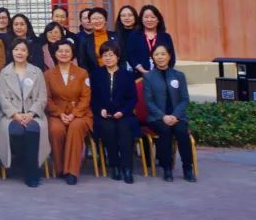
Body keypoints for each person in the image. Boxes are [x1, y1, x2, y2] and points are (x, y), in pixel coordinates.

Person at [0, 38, 50, 187]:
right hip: (11, 116)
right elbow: (1, 96)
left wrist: (31, 113)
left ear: (28, 53)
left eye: (23, 50)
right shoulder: (5, 72)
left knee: (32, 129)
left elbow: (42, 97)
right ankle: (21, 161)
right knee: (16, 130)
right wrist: (15, 115)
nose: (19, 53)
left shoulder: (37, 71)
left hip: (33, 115)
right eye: (16, 49)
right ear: (11, 52)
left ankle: (32, 173)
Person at [143, 44, 195, 182]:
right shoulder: (148, 77)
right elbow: (149, 101)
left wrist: (175, 115)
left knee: (181, 131)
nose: (160, 57)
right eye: (156, 54)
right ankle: (167, 168)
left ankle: (187, 168)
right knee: (165, 130)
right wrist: (163, 116)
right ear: (152, 58)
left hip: (177, 117)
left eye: (163, 54)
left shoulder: (179, 75)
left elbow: (184, 99)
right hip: (157, 118)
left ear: (169, 56)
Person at [44, 40, 93, 185]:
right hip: (57, 113)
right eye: (60, 51)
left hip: (79, 113)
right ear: (55, 54)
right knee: (55, 129)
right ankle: (60, 168)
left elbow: (86, 97)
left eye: (67, 51)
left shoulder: (82, 73)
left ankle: (72, 171)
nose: (64, 54)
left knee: (75, 127)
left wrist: (74, 114)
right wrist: (59, 113)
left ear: (72, 54)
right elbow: (46, 98)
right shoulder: (48, 74)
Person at [92, 41, 139, 184]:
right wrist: (100, 109)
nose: (108, 58)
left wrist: (122, 112)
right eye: (105, 55)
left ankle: (127, 168)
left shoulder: (127, 75)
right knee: (108, 129)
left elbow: (133, 98)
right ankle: (115, 166)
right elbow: (93, 98)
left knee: (125, 130)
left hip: (123, 114)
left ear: (117, 57)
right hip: (104, 115)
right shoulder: (96, 74)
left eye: (111, 55)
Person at [127, 4, 176, 76]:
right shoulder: (134, 36)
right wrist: (143, 71)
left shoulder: (166, 37)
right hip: (139, 75)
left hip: (162, 75)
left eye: (153, 17)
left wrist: (162, 72)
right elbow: (130, 56)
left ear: (158, 20)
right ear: (141, 19)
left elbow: (172, 57)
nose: (149, 20)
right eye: (146, 17)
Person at [76, 7, 110, 75]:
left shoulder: (116, 36)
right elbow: (83, 62)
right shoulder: (85, 40)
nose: (97, 21)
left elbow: (122, 59)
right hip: (94, 76)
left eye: (100, 18)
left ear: (105, 20)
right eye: (94, 19)